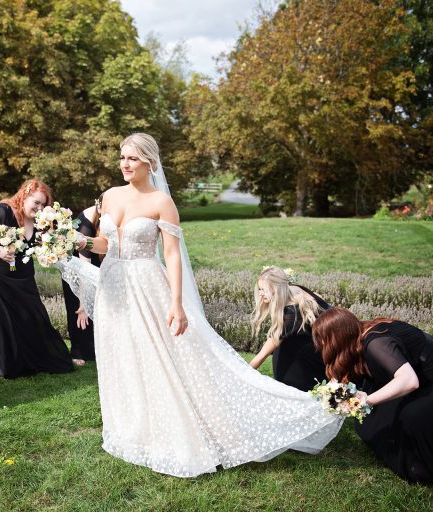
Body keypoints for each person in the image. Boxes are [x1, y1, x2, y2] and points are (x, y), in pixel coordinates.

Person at [60, 133, 342, 478]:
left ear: (150, 162)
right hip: (113, 286)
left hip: (147, 286)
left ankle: (186, 426)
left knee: (161, 356)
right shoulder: (110, 196)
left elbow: (172, 255)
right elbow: (105, 244)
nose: (125, 164)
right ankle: (134, 427)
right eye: (122, 157)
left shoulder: (161, 202)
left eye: (132, 158)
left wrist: (177, 303)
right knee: (123, 354)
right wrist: (81, 241)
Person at [312, 307, 433, 485]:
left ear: (336, 338)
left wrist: (365, 401)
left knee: (412, 416)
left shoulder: (376, 343)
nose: (319, 346)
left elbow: (409, 381)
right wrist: (333, 393)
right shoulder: (362, 334)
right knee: (371, 420)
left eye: (322, 341)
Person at [0, 179, 74, 378]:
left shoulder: (40, 221)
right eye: (36, 202)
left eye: (43, 204)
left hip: (22, 274)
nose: (39, 208)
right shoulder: (2, 211)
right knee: (2, 318)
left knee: (32, 313)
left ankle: (41, 359)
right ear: (24, 196)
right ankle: (11, 364)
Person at [250, 266, 330, 391]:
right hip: (314, 352)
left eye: (264, 289)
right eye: (259, 289)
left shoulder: (291, 315)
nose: (260, 293)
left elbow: (262, 355)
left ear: (276, 289)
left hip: (306, 368)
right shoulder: (295, 289)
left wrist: (243, 374)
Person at [61, 195, 104, 366]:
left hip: (96, 263)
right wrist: (83, 302)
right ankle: (79, 350)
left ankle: (99, 347)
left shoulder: (109, 216)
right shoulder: (86, 223)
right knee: (79, 310)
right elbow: (84, 268)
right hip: (78, 268)